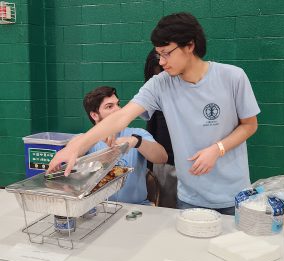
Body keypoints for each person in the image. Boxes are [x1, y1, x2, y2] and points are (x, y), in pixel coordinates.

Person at [48, 12, 260, 215]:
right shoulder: (160, 84)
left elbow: (250, 125)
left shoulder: (232, 77)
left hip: (235, 194)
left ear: (190, 45)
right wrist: (77, 146)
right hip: (190, 197)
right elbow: (122, 117)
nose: (161, 62)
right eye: (159, 54)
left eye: (166, 54)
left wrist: (217, 149)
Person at [83, 86, 168, 205]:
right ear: (95, 115)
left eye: (118, 104)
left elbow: (162, 158)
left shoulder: (137, 134)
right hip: (98, 209)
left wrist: (136, 141)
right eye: (109, 106)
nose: (118, 110)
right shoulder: (85, 141)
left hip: (136, 208)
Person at [144, 48, 177, 208]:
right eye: (157, 74)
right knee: (167, 209)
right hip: (165, 163)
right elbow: (151, 130)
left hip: (193, 163)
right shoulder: (154, 93)